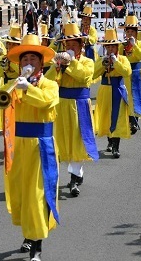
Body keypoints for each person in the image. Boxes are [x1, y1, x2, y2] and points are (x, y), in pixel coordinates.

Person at [0, 32, 59, 261]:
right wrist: (15, 87)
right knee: (20, 194)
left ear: (41, 63)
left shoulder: (50, 85)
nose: (28, 64)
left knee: (37, 195)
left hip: (40, 146)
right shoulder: (14, 84)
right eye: (25, 60)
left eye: (33, 60)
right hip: (18, 145)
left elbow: (47, 102)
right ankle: (29, 235)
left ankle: (37, 245)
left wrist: (27, 89)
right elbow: (1, 101)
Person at [45, 15, 96, 197]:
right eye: (68, 45)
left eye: (74, 45)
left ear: (81, 46)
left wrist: (70, 62)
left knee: (78, 139)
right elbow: (48, 82)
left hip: (80, 104)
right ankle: (75, 172)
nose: (70, 48)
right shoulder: (60, 62)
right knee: (62, 138)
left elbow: (84, 76)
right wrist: (57, 68)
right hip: (62, 105)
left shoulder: (87, 61)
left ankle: (74, 179)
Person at [92, 28, 132, 158]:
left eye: (112, 47)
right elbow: (92, 75)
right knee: (106, 117)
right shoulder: (101, 59)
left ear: (117, 47)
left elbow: (127, 72)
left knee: (118, 118)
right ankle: (109, 141)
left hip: (118, 90)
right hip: (105, 90)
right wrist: (103, 65)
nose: (110, 50)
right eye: (107, 47)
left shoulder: (123, 59)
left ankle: (116, 146)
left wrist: (116, 62)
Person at [119, 14, 141, 135]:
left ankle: (134, 121)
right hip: (124, 75)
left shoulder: (140, 44)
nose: (130, 34)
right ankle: (127, 120)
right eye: (128, 32)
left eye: (133, 31)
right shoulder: (121, 45)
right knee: (126, 98)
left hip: (136, 74)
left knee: (136, 97)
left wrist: (134, 45)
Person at [0, 20, 22, 131]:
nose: (9, 46)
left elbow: (22, 72)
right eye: (8, 44)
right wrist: (2, 65)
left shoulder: (22, 58)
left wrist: (11, 62)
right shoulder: (4, 57)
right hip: (6, 87)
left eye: (12, 44)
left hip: (19, 88)